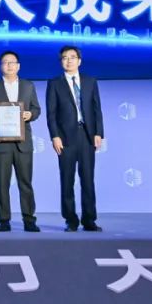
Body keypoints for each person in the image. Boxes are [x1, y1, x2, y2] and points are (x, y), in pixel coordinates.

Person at [46, 45, 104, 232]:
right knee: (67, 180)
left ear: (79, 61)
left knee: (88, 179)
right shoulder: (54, 83)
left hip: (87, 136)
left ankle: (89, 220)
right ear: (61, 62)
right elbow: (51, 114)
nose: (68, 60)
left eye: (72, 57)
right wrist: (55, 136)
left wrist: (98, 133)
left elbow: (96, 109)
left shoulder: (90, 81)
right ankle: (70, 220)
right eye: (65, 57)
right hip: (65, 138)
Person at [0, 51, 41, 232]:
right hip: (1, 143)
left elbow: (36, 109)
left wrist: (30, 114)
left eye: (12, 62)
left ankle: (29, 219)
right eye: (5, 62)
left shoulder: (28, 85)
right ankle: (3, 220)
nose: (9, 65)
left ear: (18, 66)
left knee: (26, 183)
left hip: (23, 143)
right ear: (1, 66)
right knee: (2, 183)